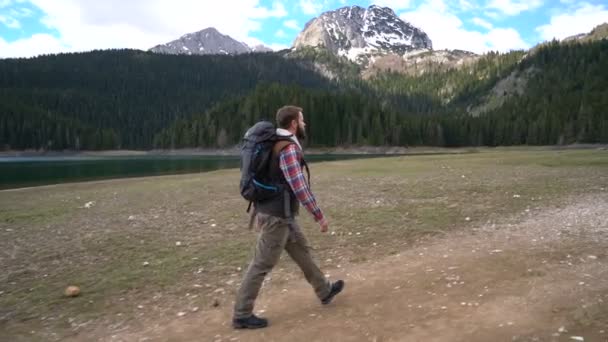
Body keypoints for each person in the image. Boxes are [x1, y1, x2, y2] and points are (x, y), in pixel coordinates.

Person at [232, 105, 345, 329]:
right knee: (261, 264)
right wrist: (318, 216)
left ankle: (324, 290)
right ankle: (242, 314)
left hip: (281, 215)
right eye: (302, 120)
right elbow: (300, 187)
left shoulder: (277, 142)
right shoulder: (288, 148)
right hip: (276, 218)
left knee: (302, 251)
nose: (305, 124)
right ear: (293, 123)